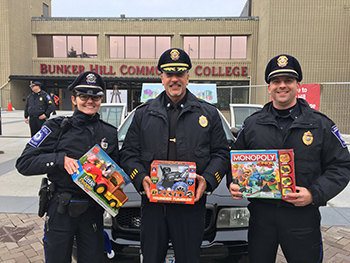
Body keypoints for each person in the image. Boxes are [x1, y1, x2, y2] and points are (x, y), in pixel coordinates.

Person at [227, 54, 350, 263]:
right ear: (269, 87)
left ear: (297, 85)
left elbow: (341, 166)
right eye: (276, 81)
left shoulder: (319, 124)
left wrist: (314, 193)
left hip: (301, 217)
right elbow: (234, 160)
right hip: (261, 217)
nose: (282, 86)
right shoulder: (253, 124)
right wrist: (235, 182)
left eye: (288, 81)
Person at [119, 48, 230, 263]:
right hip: (153, 207)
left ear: (188, 77)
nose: (174, 79)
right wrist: (141, 179)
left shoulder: (208, 113)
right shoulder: (143, 114)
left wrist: (207, 180)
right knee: (151, 258)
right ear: (161, 78)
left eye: (180, 74)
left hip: (192, 208)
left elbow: (222, 154)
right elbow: (128, 154)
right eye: (169, 74)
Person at [16, 71, 119, 263]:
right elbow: (24, 163)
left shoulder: (109, 133)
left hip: (92, 212)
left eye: (95, 97)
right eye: (84, 96)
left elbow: (117, 169)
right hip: (61, 208)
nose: (90, 101)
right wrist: (60, 159)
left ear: (101, 100)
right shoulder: (57, 127)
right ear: (74, 99)